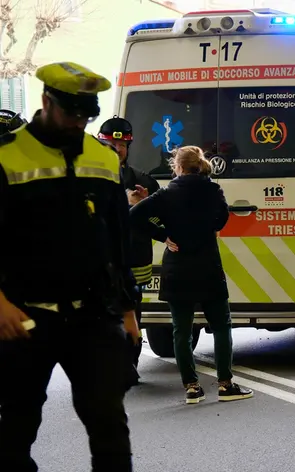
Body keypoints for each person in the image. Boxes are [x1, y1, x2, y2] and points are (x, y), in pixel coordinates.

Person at [0, 62, 139, 471]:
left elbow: (117, 240)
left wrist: (129, 310)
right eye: (70, 113)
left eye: (86, 116)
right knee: (17, 427)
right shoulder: (7, 156)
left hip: (93, 317)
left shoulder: (103, 157)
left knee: (109, 424)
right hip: (25, 317)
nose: (78, 123)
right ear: (46, 101)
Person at [129, 145, 254, 405]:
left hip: (178, 268)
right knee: (221, 326)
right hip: (208, 266)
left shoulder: (167, 194)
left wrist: (163, 236)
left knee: (181, 331)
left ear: (179, 167)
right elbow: (221, 219)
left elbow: (135, 216)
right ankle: (225, 384)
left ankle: (192, 387)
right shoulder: (213, 190)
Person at [99, 117, 163, 387]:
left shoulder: (143, 181)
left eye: (122, 144)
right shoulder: (86, 180)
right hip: (100, 261)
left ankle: (130, 365)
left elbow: (159, 221)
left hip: (134, 261)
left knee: (131, 313)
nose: (117, 148)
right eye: (111, 144)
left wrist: (146, 205)